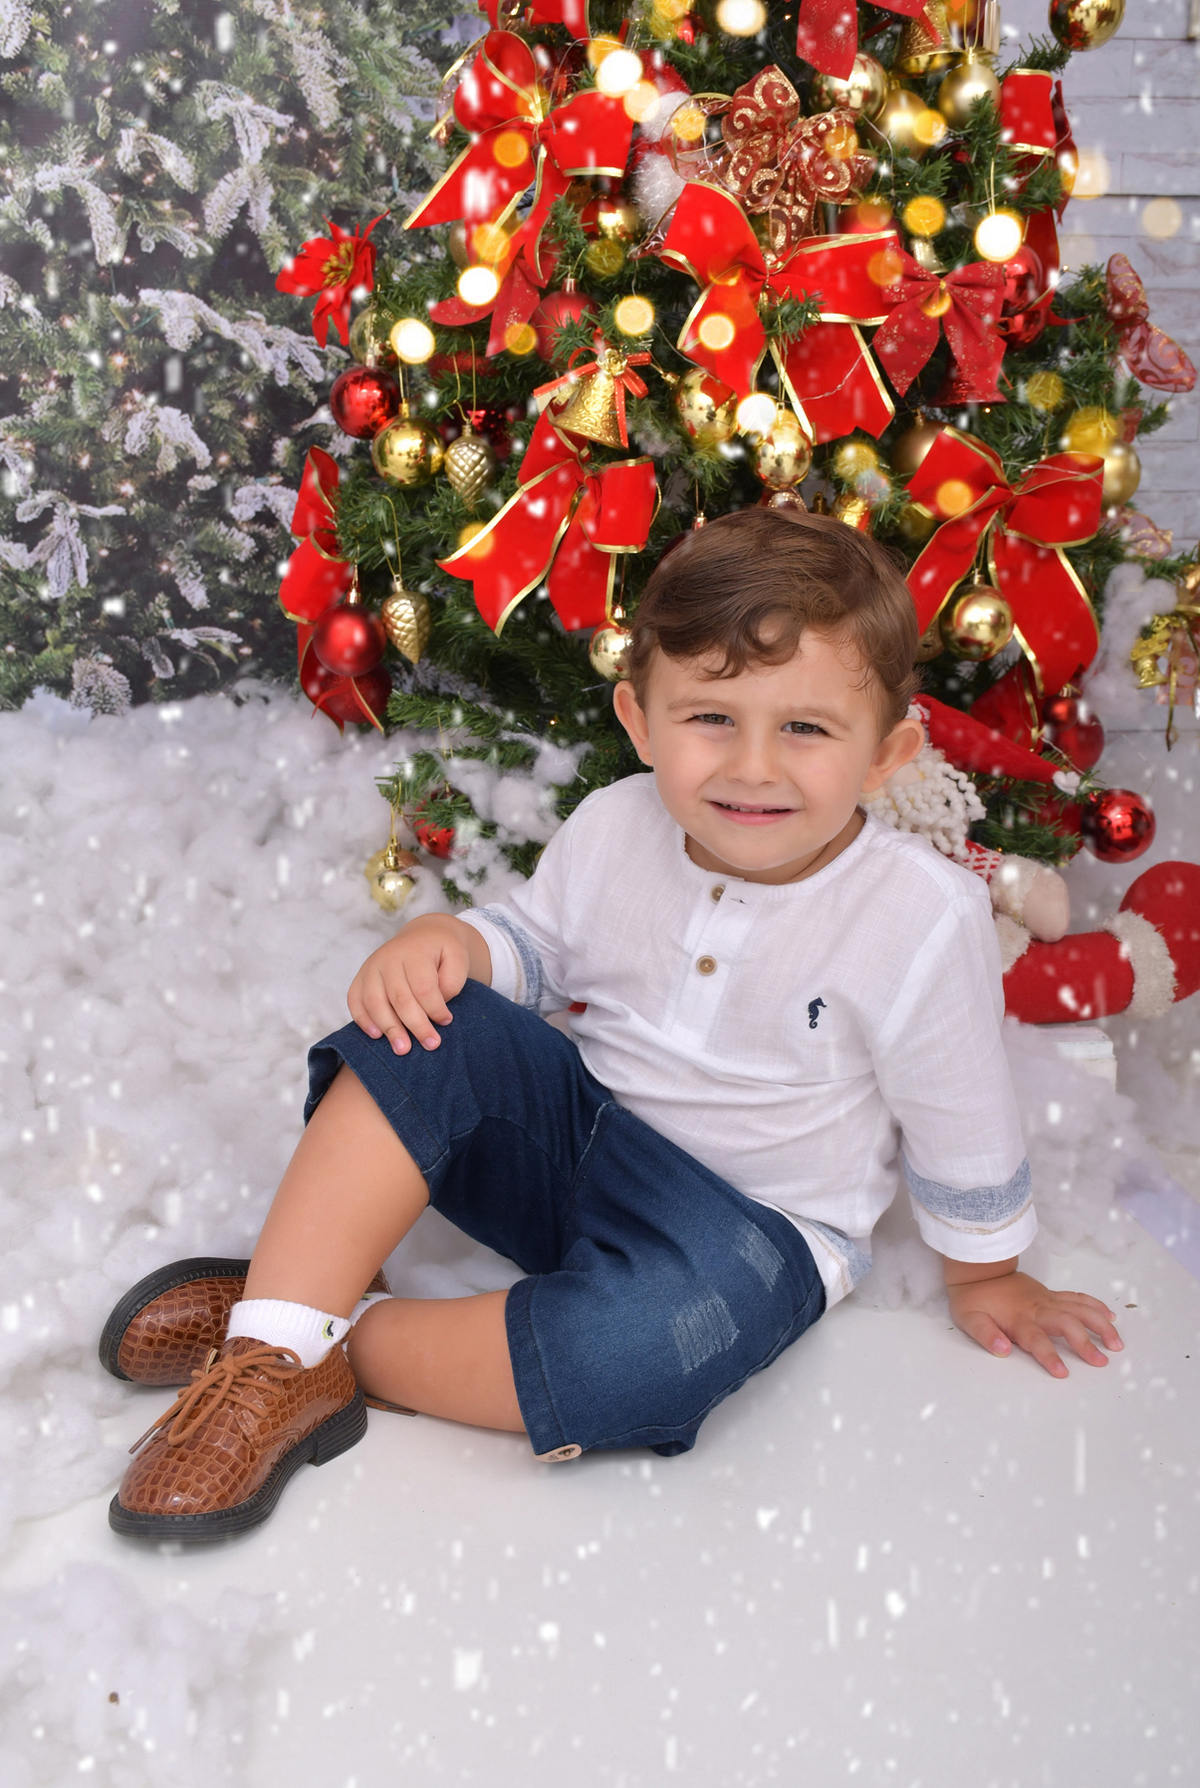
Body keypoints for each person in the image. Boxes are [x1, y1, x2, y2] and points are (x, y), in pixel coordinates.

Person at [101, 508, 1123, 1541]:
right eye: (710, 718)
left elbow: (960, 1104)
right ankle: (277, 1343)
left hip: (752, 1233)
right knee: (427, 1024)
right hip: (581, 1144)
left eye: (806, 730)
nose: (753, 767)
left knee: (634, 1360)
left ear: (884, 755)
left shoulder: (919, 912)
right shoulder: (615, 823)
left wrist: (988, 1274)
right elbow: (539, 947)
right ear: (640, 720)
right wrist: (456, 941)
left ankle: (308, 1336)